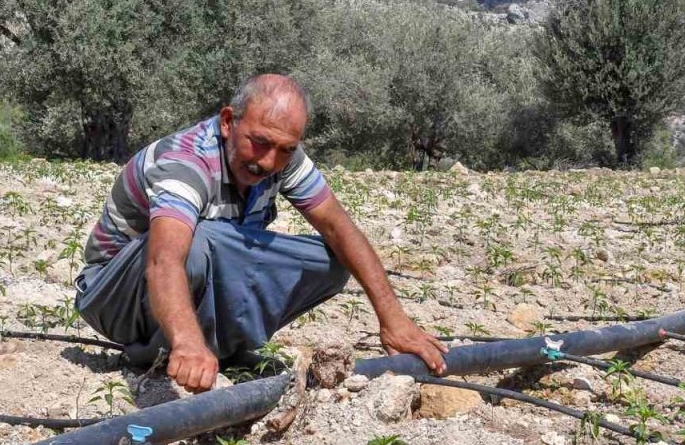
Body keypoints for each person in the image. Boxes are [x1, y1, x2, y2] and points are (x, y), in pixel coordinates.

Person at [74, 74, 448, 392]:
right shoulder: (185, 163)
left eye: (285, 149)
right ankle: (162, 350)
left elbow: (339, 227)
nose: (268, 162)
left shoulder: (282, 158)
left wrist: (393, 319)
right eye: (260, 142)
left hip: (195, 272)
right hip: (114, 294)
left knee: (331, 262)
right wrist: (187, 343)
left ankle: (221, 348)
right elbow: (163, 261)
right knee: (202, 241)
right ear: (227, 122)